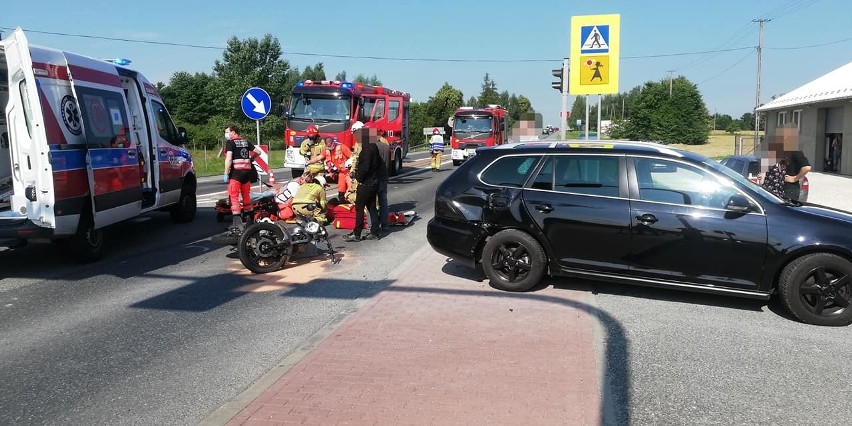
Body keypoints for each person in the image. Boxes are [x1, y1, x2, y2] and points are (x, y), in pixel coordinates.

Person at [343, 127, 382, 242]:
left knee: (359, 208)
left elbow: (364, 167)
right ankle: (375, 232)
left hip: (366, 183)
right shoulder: (374, 147)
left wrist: (358, 178)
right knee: (372, 208)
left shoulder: (366, 150)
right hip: (374, 182)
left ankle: (356, 233)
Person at [224, 125, 264, 231]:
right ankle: (250, 219)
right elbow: (258, 152)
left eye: (227, 132)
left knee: (234, 196)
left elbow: (228, 159)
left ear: (233, 132)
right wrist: (251, 159)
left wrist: (225, 172)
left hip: (235, 174)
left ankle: (237, 222)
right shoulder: (246, 142)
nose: (226, 135)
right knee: (246, 196)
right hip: (247, 174)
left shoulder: (230, 143)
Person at [373, 126, 391, 232]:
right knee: (383, 202)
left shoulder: (372, 147)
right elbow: (388, 162)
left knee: (372, 204)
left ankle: (374, 227)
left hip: (374, 179)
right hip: (384, 177)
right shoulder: (386, 147)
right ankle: (385, 225)